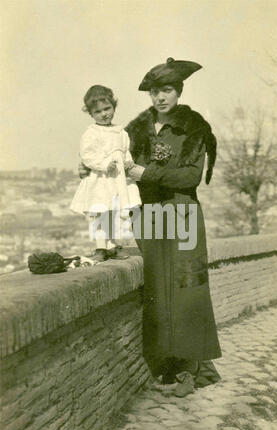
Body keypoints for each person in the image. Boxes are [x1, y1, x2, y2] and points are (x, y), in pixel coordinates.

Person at [79, 59, 222, 397]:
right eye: (155, 91)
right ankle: (165, 367)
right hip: (150, 217)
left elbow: (190, 178)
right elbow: (110, 159)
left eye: (167, 90)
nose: (160, 97)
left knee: (188, 290)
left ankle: (190, 372)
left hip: (183, 214)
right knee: (158, 289)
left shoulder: (194, 128)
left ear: (179, 91)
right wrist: (89, 169)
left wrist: (146, 174)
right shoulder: (136, 129)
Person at [70, 85, 142, 262]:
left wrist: (128, 164)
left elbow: (125, 152)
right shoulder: (91, 133)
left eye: (107, 108)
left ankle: (114, 245)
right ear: (91, 114)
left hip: (117, 179)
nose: (104, 114)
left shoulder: (121, 132)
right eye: (98, 111)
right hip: (101, 179)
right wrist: (103, 165)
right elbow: (87, 156)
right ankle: (101, 247)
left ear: (114, 107)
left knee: (115, 212)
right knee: (101, 212)